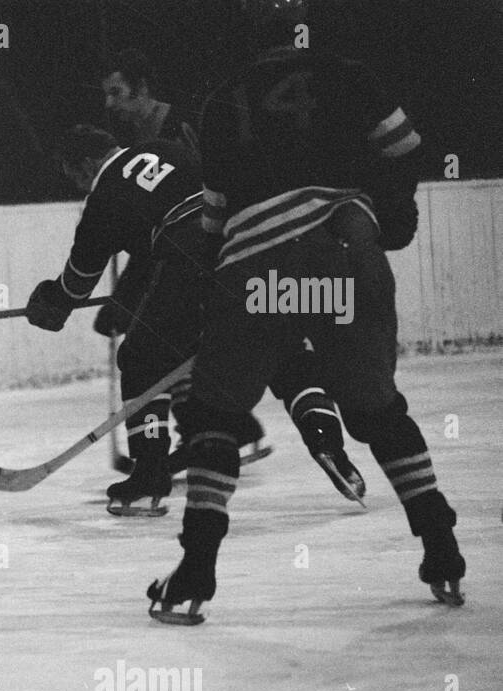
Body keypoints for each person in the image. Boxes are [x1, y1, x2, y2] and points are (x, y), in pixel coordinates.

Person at [147, 0, 465, 622]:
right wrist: (391, 212)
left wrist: (211, 288)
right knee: (377, 410)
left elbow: (215, 215)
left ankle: (194, 574)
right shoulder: (351, 74)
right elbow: (408, 149)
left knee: (214, 415)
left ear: (249, 41)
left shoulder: (220, 101)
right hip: (348, 256)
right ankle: (442, 548)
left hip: (260, 272)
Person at [28, 125, 363, 514]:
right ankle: (327, 442)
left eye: (72, 174)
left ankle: (148, 478)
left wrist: (51, 303)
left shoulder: (104, 195)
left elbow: (78, 282)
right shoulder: (165, 147)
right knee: (279, 346)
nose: (77, 184)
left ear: (86, 164)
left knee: (142, 360)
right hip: (258, 238)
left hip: (191, 252)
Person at [101, 48, 200, 155]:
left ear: (141, 87)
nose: (108, 103)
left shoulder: (180, 126)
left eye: (115, 92)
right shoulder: (127, 134)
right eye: (106, 95)